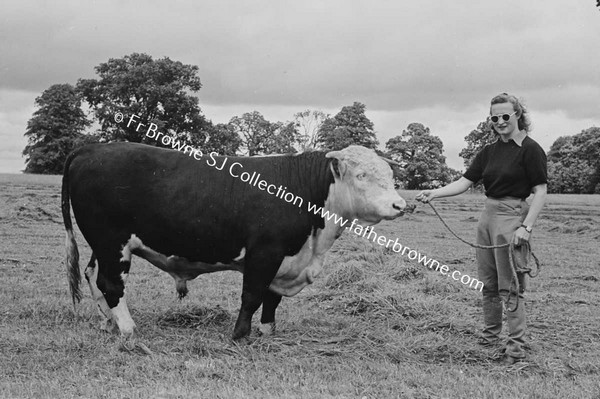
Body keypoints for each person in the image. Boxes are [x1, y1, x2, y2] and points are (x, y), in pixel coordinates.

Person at [415, 93, 547, 364]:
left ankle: (515, 348)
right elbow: (465, 182)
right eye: (494, 117)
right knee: (488, 284)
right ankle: (489, 339)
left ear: (518, 115)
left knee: (509, 286)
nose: (500, 121)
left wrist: (527, 227)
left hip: (511, 217)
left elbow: (540, 190)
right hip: (487, 217)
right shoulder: (488, 151)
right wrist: (434, 193)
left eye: (505, 116)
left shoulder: (530, 149)